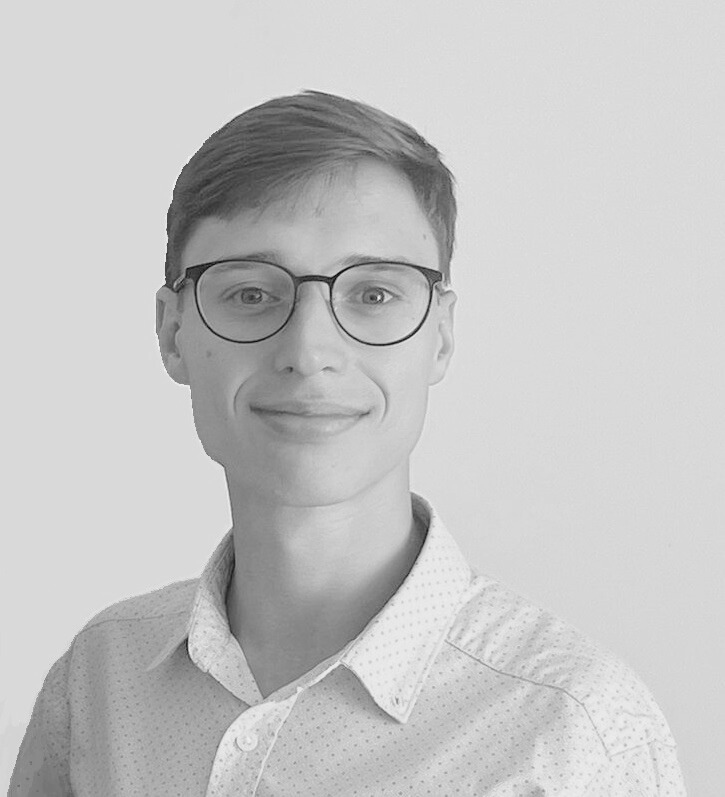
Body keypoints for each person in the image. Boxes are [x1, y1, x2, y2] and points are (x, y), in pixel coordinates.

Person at [9, 90, 686, 796]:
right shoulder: (98, 680)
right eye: (250, 294)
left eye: (373, 294)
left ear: (440, 336)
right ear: (172, 332)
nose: (309, 352)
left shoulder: (575, 734)